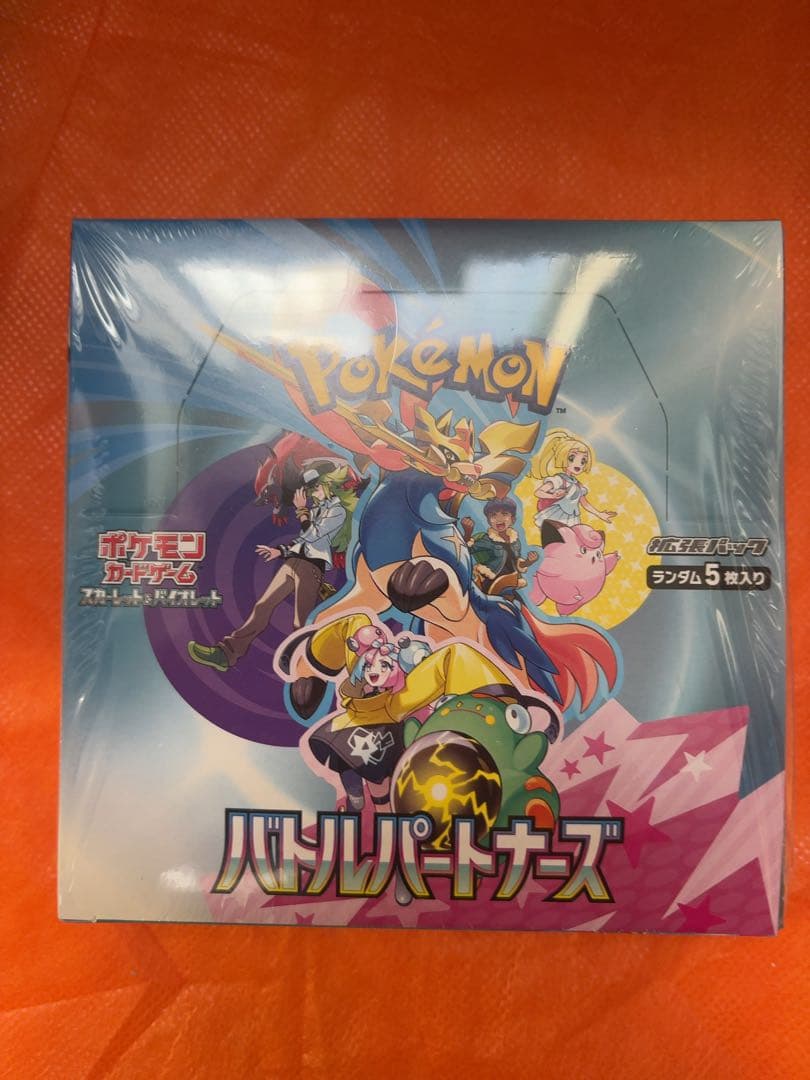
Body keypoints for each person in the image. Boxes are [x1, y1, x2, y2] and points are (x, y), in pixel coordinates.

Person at [188, 466, 348, 671]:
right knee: (263, 606)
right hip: (294, 562)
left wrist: (301, 511)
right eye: (309, 489)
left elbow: (313, 534)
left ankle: (303, 667)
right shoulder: (316, 510)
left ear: (327, 485)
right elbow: (302, 541)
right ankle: (226, 653)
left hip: (311, 568)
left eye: (315, 488)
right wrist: (278, 551)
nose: (311, 493)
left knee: (301, 622)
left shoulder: (337, 511)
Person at [531, 428, 616, 530]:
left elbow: (584, 503)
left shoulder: (578, 485)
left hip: (572, 518)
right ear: (562, 458)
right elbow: (538, 492)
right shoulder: (559, 480)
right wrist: (552, 496)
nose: (578, 464)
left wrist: (599, 514)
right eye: (572, 458)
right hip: (556, 515)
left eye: (583, 461)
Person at [463, 497, 537, 596]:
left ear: (513, 519)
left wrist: (529, 561)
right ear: (488, 520)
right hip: (493, 580)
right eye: (493, 515)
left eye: (504, 514)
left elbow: (517, 563)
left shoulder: (515, 541)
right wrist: (468, 532)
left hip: (510, 580)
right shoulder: (488, 539)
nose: (499, 519)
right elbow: (467, 549)